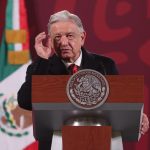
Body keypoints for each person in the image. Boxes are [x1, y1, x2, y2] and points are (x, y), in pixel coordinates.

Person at [17, 10, 149, 149]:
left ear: (82, 37)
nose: (63, 42)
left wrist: (136, 116)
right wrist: (43, 60)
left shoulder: (105, 65)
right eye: (57, 37)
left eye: (69, 36)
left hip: (100, 141)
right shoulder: (40, 68)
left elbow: (119, 102)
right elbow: (25, 101)